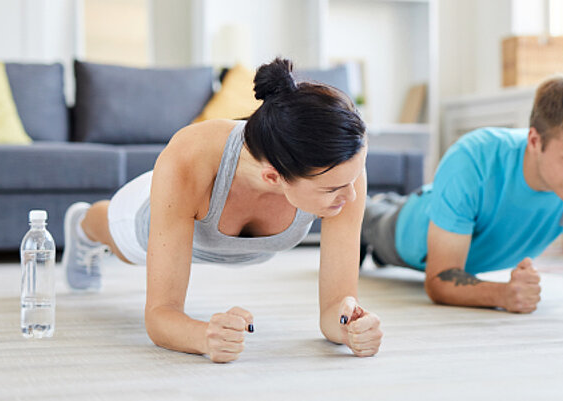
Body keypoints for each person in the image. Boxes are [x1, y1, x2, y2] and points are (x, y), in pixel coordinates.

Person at [62, 58, 382, 362]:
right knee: (118, 239)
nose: (352, 195)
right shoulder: (191, 156)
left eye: (353, 180)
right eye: (333, 190)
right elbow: (160, 316)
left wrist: (348, 325)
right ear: (273, 177)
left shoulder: (342, 170)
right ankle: (82, 225)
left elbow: (332, 310)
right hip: (149, 212)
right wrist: (204, 336)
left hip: (212, 219)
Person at [360, 75, 563, 313]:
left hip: (467, 250)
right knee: (367, 219)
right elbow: (440, 279)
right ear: (534, 140)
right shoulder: (473, 157)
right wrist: (502, 294)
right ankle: (374, 208)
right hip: (407, 230)